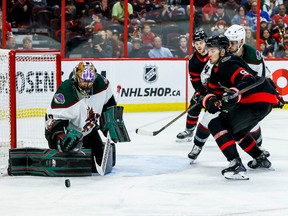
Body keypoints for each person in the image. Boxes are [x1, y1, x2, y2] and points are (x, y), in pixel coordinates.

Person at [202, 35, 278, 179]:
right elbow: (213, 93)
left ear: (222, 52)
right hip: (263, 101)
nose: (208, 54)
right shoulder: (216, 69)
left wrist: (234, 92)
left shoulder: (227, 62)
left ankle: (236, 165)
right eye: (208, 50)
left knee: (216, 124)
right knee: (237, 131)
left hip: (257, 99)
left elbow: (248, 79)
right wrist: (208, 100)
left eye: (212, 50)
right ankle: (260, 158)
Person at [45, 62, 124, 173]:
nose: (87, 84)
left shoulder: (102, 84)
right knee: (72, 166)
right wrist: (62, 137)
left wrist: (111, 122)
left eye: (90, 81)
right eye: (84, 81)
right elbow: (53, 120)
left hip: (87, 130)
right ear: (77, 77)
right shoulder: (66, 90)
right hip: (67, 132)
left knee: (98, 163)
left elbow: (109, 105)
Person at [176, 30, 209, 142]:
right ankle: (189, 131)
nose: (199, 45)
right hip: (204, 89)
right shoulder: (193, 60)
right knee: (194, 105)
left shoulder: (215, 53)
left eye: (201, 42)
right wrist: (199, 91)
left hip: (218, 88)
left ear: (206, 42)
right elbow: (195, 79)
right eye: (196, 43)